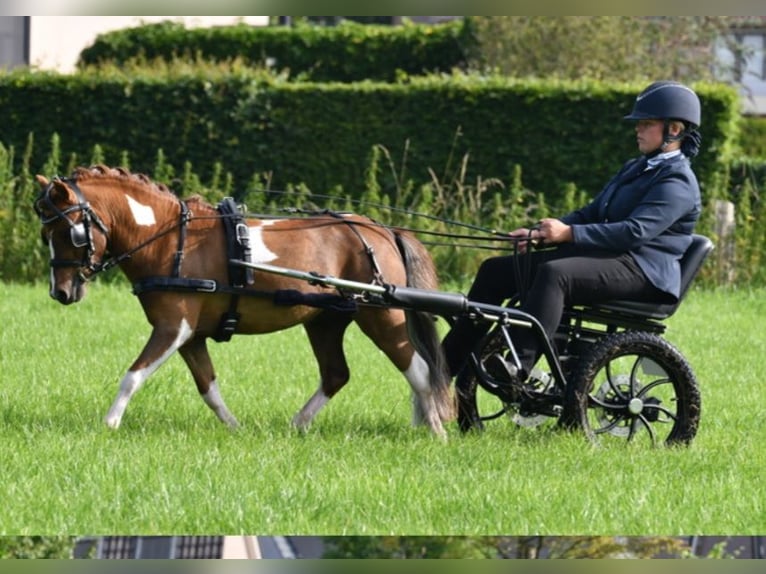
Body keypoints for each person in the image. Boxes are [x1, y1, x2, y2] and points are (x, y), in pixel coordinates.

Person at [441, 80, 703, 392]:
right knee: (495, 270)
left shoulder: (678, 181)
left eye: (646, 124)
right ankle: (442, 365)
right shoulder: (637, 167)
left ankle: (517, 365)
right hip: (613, 259)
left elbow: (635, 232)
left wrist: (568, 234)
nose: (638, 130)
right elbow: (593, 212)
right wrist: (541, 234)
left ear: (674, 129)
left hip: (643, 270)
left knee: (555, 274)